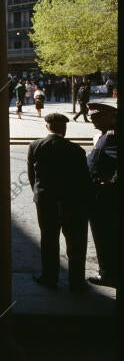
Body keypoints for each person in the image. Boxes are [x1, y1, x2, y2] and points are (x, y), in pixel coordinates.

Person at [27, 113, 92, 292]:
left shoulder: (35, 146)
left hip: (46, 201)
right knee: (75, 242)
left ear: (47, 127)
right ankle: (76, 281)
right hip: (71, 201)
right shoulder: (76, 150)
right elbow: (83, 180)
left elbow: (32, 177)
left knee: (49, 239)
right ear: (64, 129)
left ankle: (49, 277)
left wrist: (39, 194)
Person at [85, 103, 118, 288]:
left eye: (97, 116)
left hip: (105, 197)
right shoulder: (105, 134)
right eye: (91, 117)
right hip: (100, 194)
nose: (92, 120)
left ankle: (108, 274)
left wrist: (112, 182)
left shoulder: (113, 136)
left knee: (105, 236)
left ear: (110, 116)